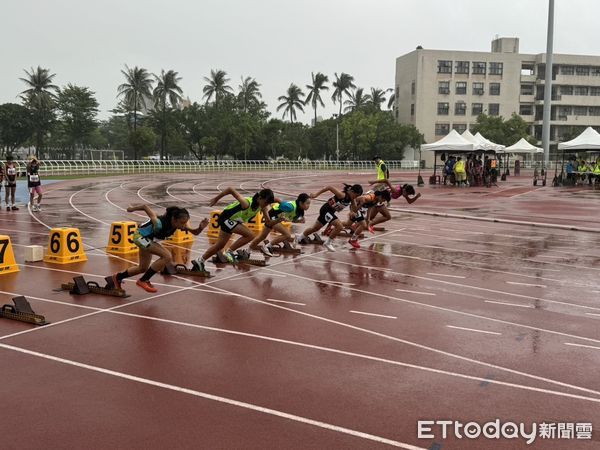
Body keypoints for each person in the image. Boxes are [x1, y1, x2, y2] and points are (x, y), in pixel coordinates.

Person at [111, 206, 208, 293]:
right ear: (174, 219)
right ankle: (143, 280)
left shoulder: (179, 224)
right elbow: (145, 207)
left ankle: (117, 277)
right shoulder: (159, 223)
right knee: (167, 256)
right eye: (182, 223)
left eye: (185, 223)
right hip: (140, 237)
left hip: (148, 240)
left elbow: (195, 232)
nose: (184, 226)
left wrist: (200, 228)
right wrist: (132, 209)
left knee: (142, 268)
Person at [192, 188, 278, 272]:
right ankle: (229, 252)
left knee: (219, 246)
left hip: (232, 221)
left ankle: (200, 260)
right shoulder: (246, 203)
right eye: (266, 202)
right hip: (225, 218)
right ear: (259, 198)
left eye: (268, 203)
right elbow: (230, 189)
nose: (266, 205)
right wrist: (216, 198)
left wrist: (279, 220)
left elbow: (268, 222)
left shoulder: (263, 206)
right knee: (250, 235)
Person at [298, 183, 363, 252]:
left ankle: (300, 236)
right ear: (352, 192)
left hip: (330, 212)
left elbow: (354, 209)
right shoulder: (342, 195)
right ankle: (328, 243)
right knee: (339, 226)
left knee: (315, 228)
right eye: (356, 195)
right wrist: (316, 194)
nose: (355, 198)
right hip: (326, 210)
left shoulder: (351, 199)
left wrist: (355, 209)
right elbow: (329, 187)